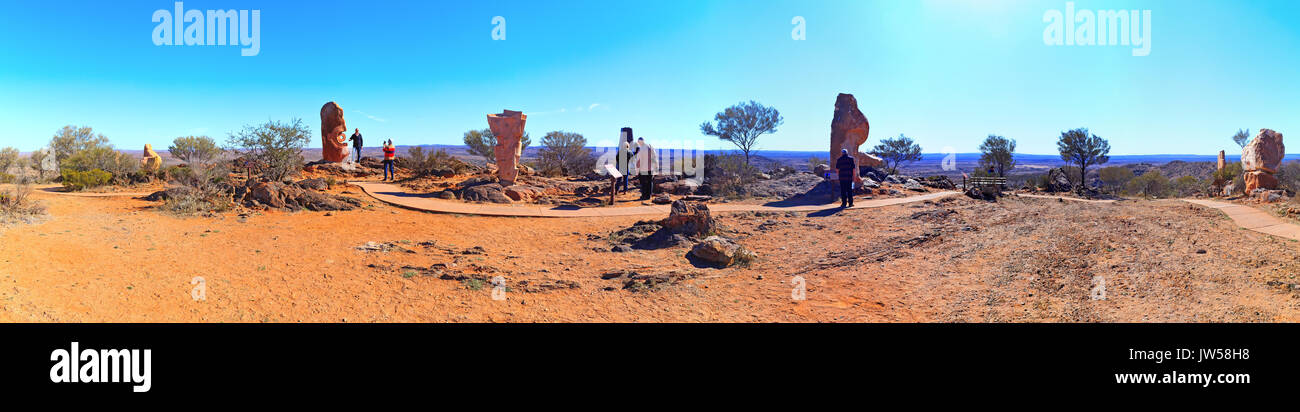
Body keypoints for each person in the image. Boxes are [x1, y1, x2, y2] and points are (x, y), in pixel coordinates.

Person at [616, 127, 633, 194]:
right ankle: (625, 191)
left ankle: (616, 191)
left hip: (620, 167)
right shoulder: (630, 152)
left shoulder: (620, 151)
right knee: (625, 180)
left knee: (619, 180)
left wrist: (618, 163)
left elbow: (617, 158)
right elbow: (632, 158)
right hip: (626, 167)